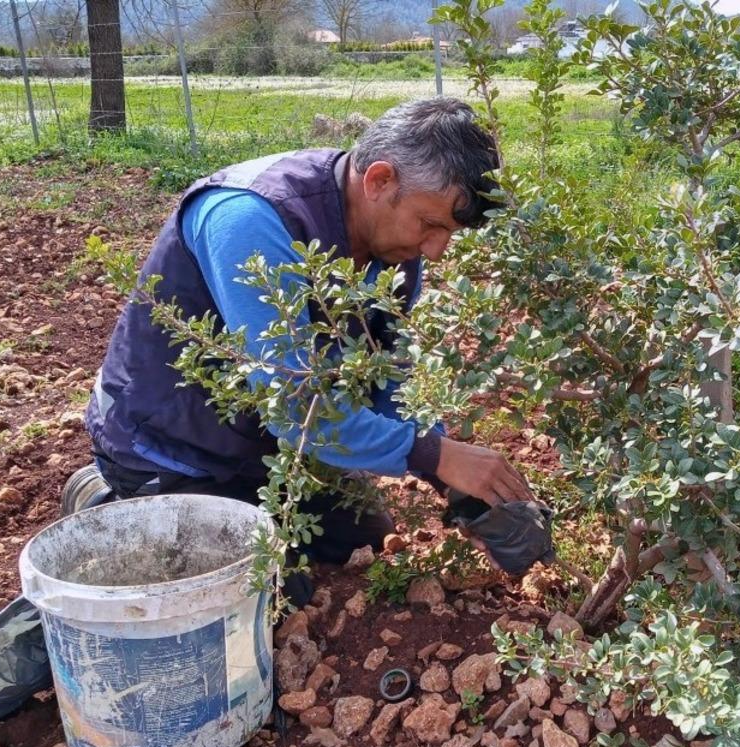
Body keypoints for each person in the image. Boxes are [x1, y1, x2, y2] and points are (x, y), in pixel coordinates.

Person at [67, 97, 533, 578]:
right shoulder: (252, 218)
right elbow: (291, 405)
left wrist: (454, 482)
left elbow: (387, 374)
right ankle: (105, 496)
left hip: (270, 453)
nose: (435, 251)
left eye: (449, 233)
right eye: (431, 226)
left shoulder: (393, 246)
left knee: (363, 539)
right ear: (379, 180)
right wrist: (435, 456)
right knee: (271, 596)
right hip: (169, 448)